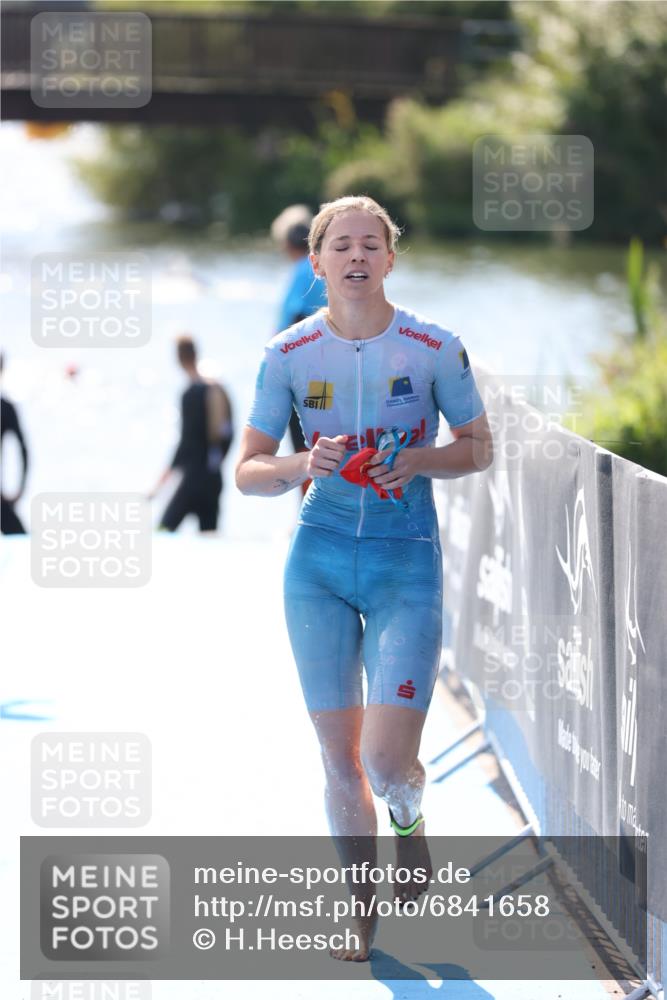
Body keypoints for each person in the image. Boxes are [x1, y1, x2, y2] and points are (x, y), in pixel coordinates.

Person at [236, 196, 493, 961]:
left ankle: (408, 814)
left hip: (403, 561)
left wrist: (416, 459)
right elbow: (247, 473)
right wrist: (297, 464)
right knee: (337, 761)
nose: (354, 257)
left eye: (369, 245)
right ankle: (360, 915)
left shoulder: (433, 346)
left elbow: (478, 447)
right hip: (314, 565)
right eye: (339, 246)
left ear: (389, 257)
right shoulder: (286, 353)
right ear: (315, 265)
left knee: (384, 761)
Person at [149, 336, 233, 534]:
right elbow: (229, 434)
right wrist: (217, 463)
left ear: (179, 358)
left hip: (193, 480)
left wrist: (161, 482)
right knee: (209, 540)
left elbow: (186, 444)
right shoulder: (217, 388)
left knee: (162, 531)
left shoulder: (191, 393)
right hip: (214, 478)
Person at [273, 212, 328, 496]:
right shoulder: (319, 267)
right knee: (318, 444)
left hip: (304, 374)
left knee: (304, 448)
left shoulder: (302, 270)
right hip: (323, 370)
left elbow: (297, 318)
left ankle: (307, 514)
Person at [0, 352, 29, 535]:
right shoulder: (6, 408)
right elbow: (24, 451)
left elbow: (24, 450)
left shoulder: (6, 408)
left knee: (22, 541)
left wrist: (19, 490)